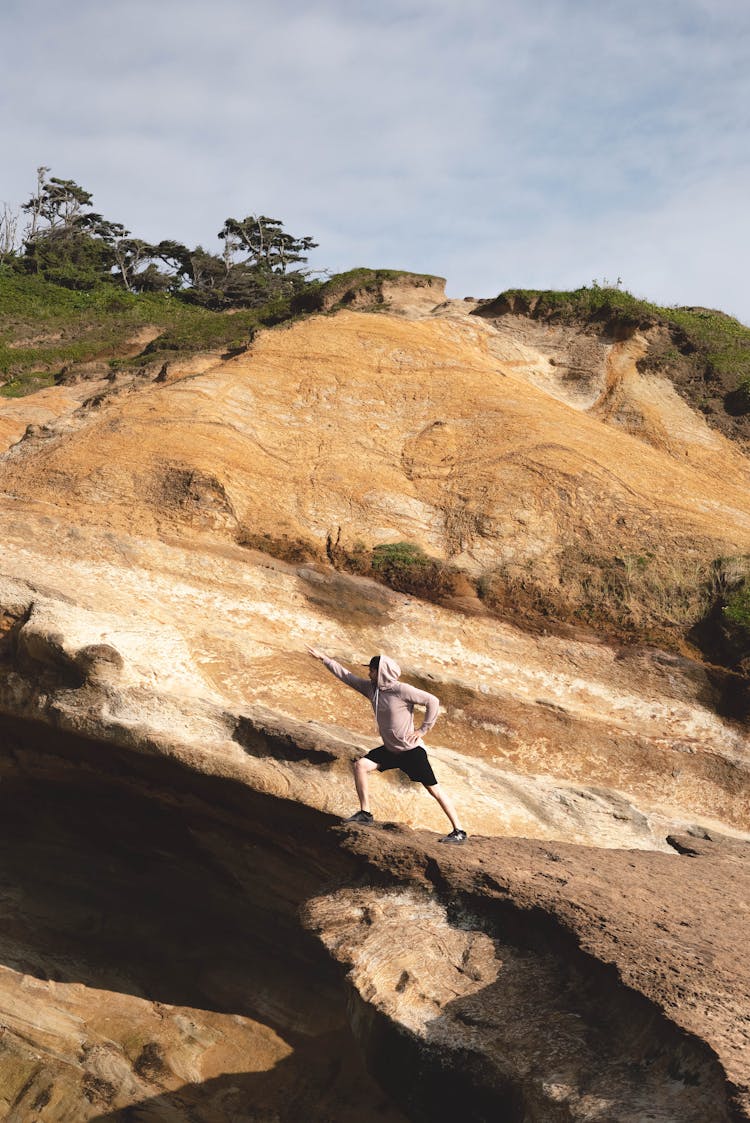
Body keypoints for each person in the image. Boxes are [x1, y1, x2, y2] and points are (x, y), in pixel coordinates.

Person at [306, 647, 467, 844]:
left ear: (380, 671)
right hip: (390, 751)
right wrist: (324, 659)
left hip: (411, 752)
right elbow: (347, 676)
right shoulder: (371, 689)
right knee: (361, 766)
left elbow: (432, 701)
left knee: (434, 790)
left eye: (371, 670)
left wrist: (423, 730)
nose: (368, 673)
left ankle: (458, 831)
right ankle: (365, 813)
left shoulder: (401, 690)